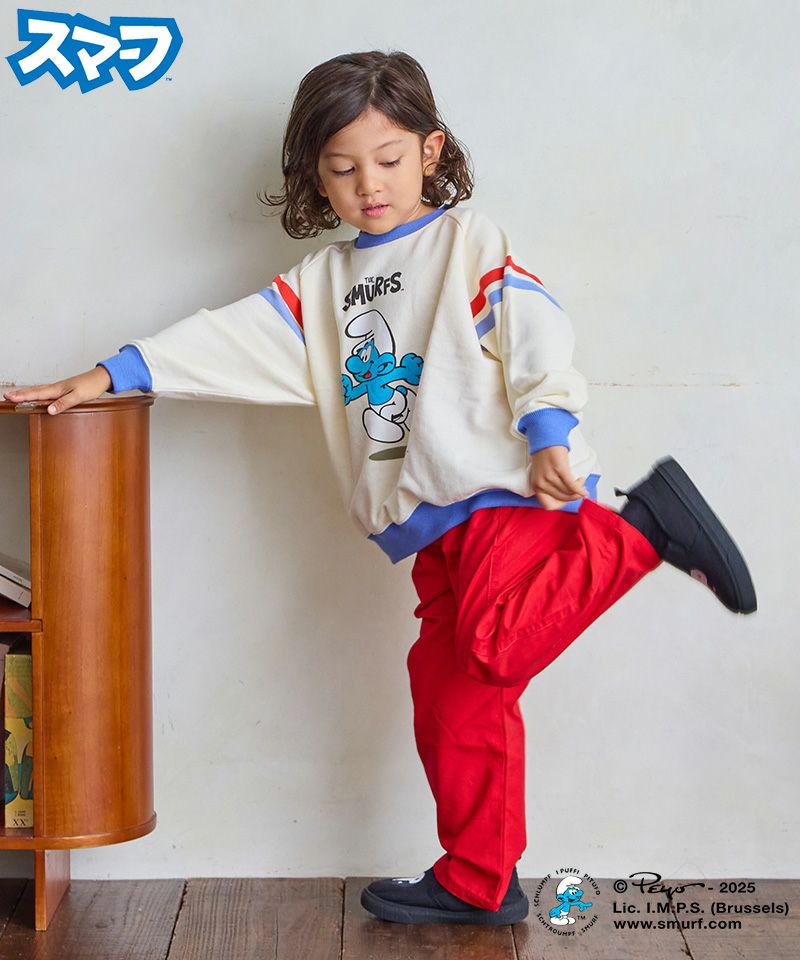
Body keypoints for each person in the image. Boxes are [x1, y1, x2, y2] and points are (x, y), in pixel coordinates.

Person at [3, 50, 756, 927]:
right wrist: (112, 373)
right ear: (315, 175)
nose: (368, 185)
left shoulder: (466, 243)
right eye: (342, 168)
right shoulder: (324, 286)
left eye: (389, 159)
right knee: (448, 693)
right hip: (429, 526)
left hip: (503, 494)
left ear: (431, 151)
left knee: (489, 650)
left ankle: (643, 530)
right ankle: (478, 880)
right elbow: (228, 339)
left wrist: (549, 425)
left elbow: (531, 325)